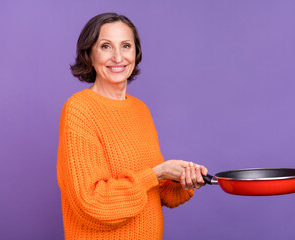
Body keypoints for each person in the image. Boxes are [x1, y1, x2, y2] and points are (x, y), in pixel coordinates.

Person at [57, 12, 208, 240]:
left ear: (136, 53)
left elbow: (158, 193)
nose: (118, 57)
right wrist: (156, 174)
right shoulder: (79, 109)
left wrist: (182, 181)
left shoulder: (140, 109)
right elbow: (91, 204)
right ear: (89, 53)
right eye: (106, 46)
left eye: (126, 46)